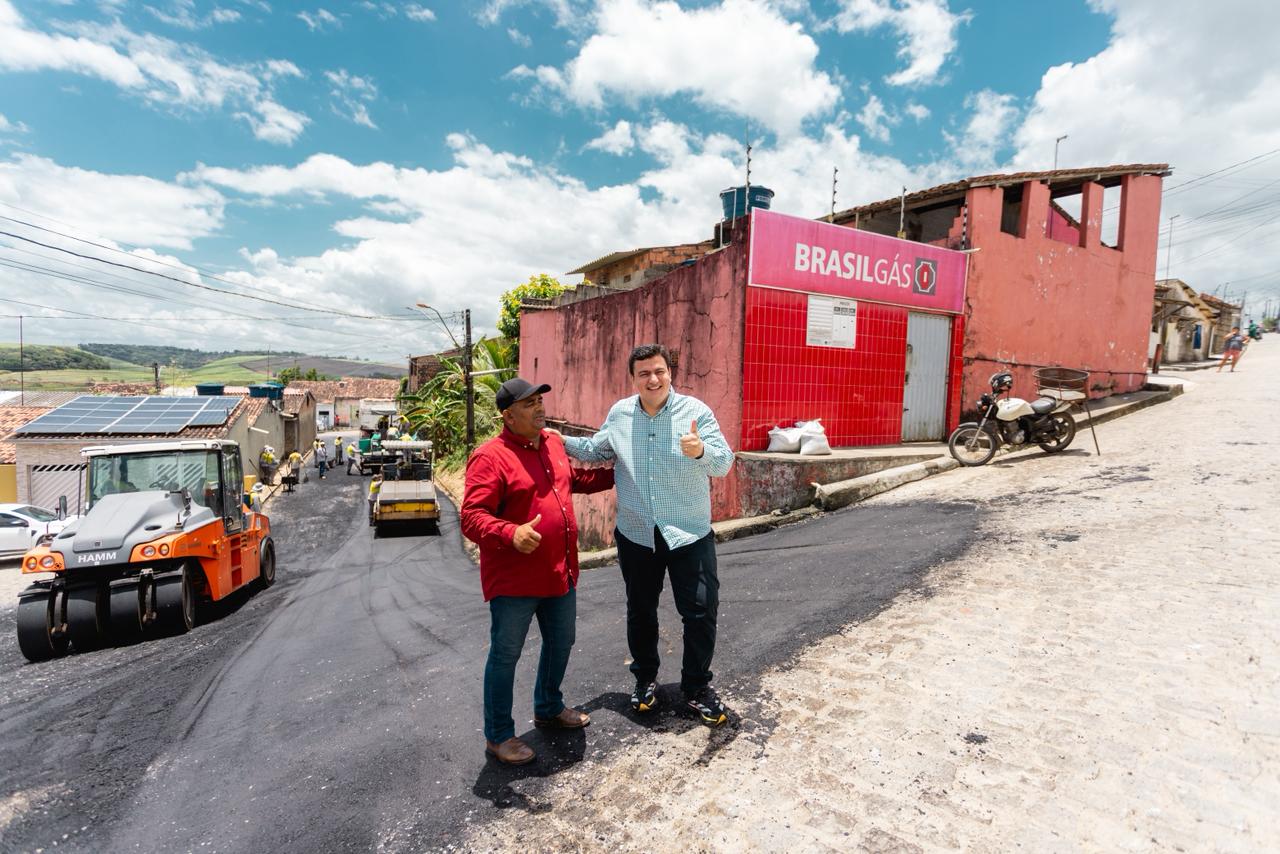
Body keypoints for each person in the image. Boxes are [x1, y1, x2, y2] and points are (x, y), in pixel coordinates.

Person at [560, 343, 735, 726]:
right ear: (633, 378)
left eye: (659, 371)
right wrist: (554, 439)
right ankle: (644, 681)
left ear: (669, 372)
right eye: (644, 373)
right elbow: (594, 450)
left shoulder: (695, 413)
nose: (653, 379)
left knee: (701, 611)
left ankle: (696, 687)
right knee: (641, 611)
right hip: (637, 533)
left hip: (689, 533)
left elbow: (723, 464)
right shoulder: (620, 414)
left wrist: (701, 450)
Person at [461, 377, 614, 765]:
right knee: (505, 655)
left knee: (561, 642)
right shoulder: (490, 457)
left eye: (540, 401)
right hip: (514, 582)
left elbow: (572, 480)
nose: (540, 409)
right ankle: (497, 735)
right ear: (508, 416)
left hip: (559, 572)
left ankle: (548, 706)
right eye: (529, 404)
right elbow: (471, 517)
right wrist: (509, 532)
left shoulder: (552, 444)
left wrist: (623, 474)